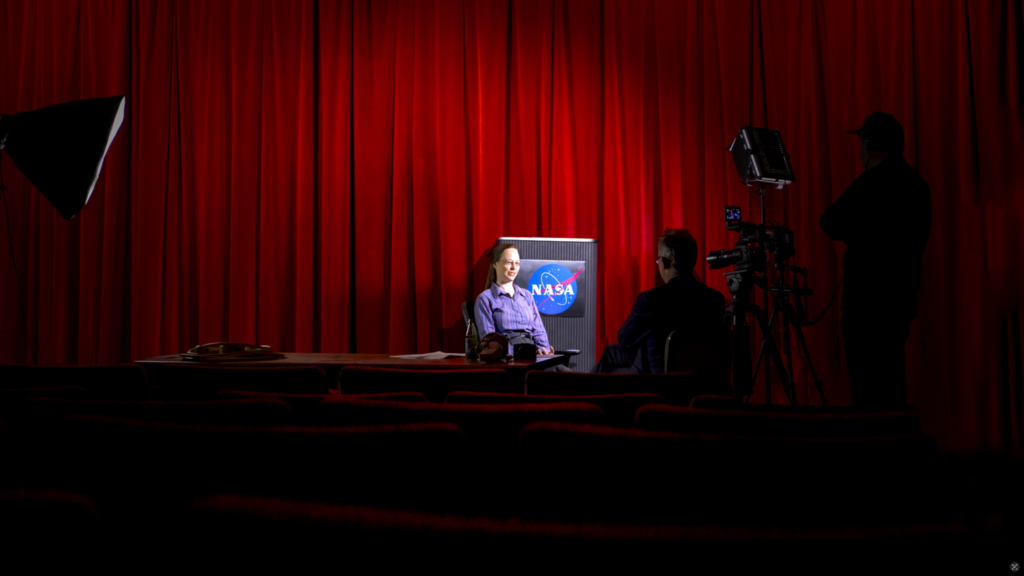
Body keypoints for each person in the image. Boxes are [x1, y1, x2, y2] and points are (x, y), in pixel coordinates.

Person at [820, 112, 931, 409]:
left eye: (861, 144)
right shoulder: (918, 185)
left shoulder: (870, 184)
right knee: (891, 381)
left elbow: (830, 221)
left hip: (866, 304)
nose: (859, 152)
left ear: (870, 145)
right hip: (900, 301)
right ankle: (895, 445)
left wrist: (858, 234)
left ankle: (873, 448)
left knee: (868, 389)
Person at [593, 229, 726, 374]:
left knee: (613, 365)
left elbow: (625, 341)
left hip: (659, 381)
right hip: (702, 380)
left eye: (658, 260)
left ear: (666, 262)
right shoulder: (716, 299)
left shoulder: (650, 300)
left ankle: (579, 390)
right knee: (611, 351)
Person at [474, 243, 553, 356]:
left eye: (517, 263)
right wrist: (514, 355)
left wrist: (545, 352)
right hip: (507, 358)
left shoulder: (527, 295)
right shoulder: (485, 298)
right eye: (509, 262)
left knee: (562, 372)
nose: (514, 267)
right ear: (495, 264)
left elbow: (539, 331)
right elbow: (490, 340)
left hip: (534, 354)